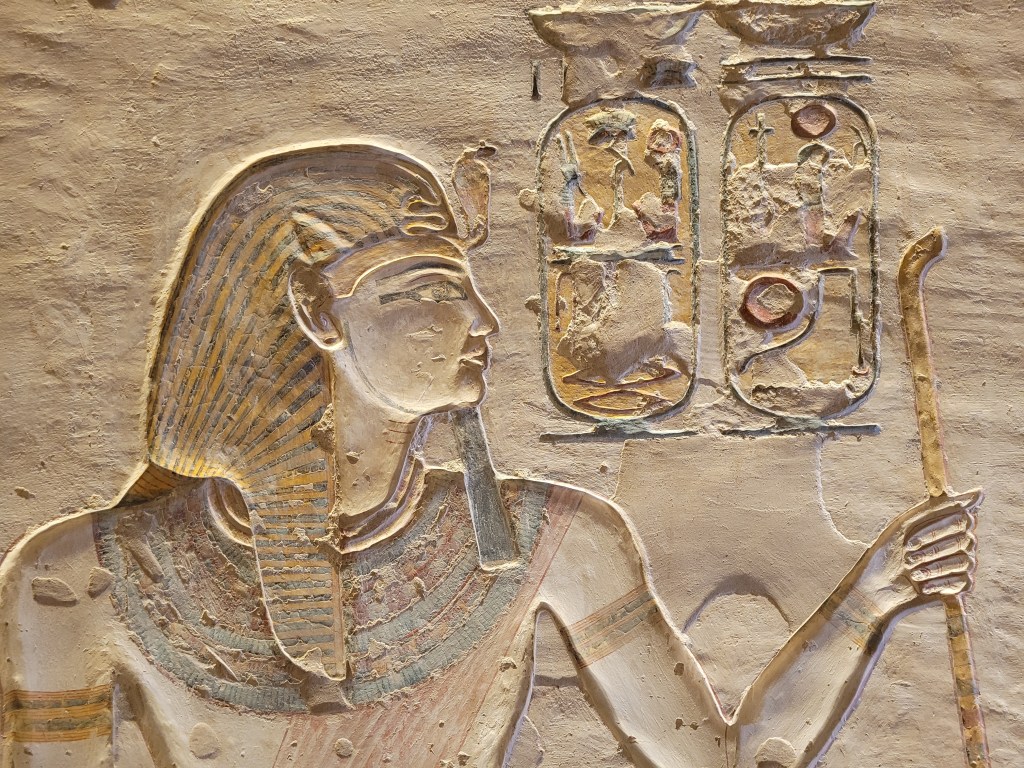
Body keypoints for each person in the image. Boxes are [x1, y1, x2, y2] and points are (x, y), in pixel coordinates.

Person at [0, 142, 979, 768]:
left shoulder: (563, 540)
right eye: (430, 289)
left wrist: (868, 599)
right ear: (314, 312)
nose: (481, 321)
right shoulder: (77, 579)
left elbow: (722, 762)